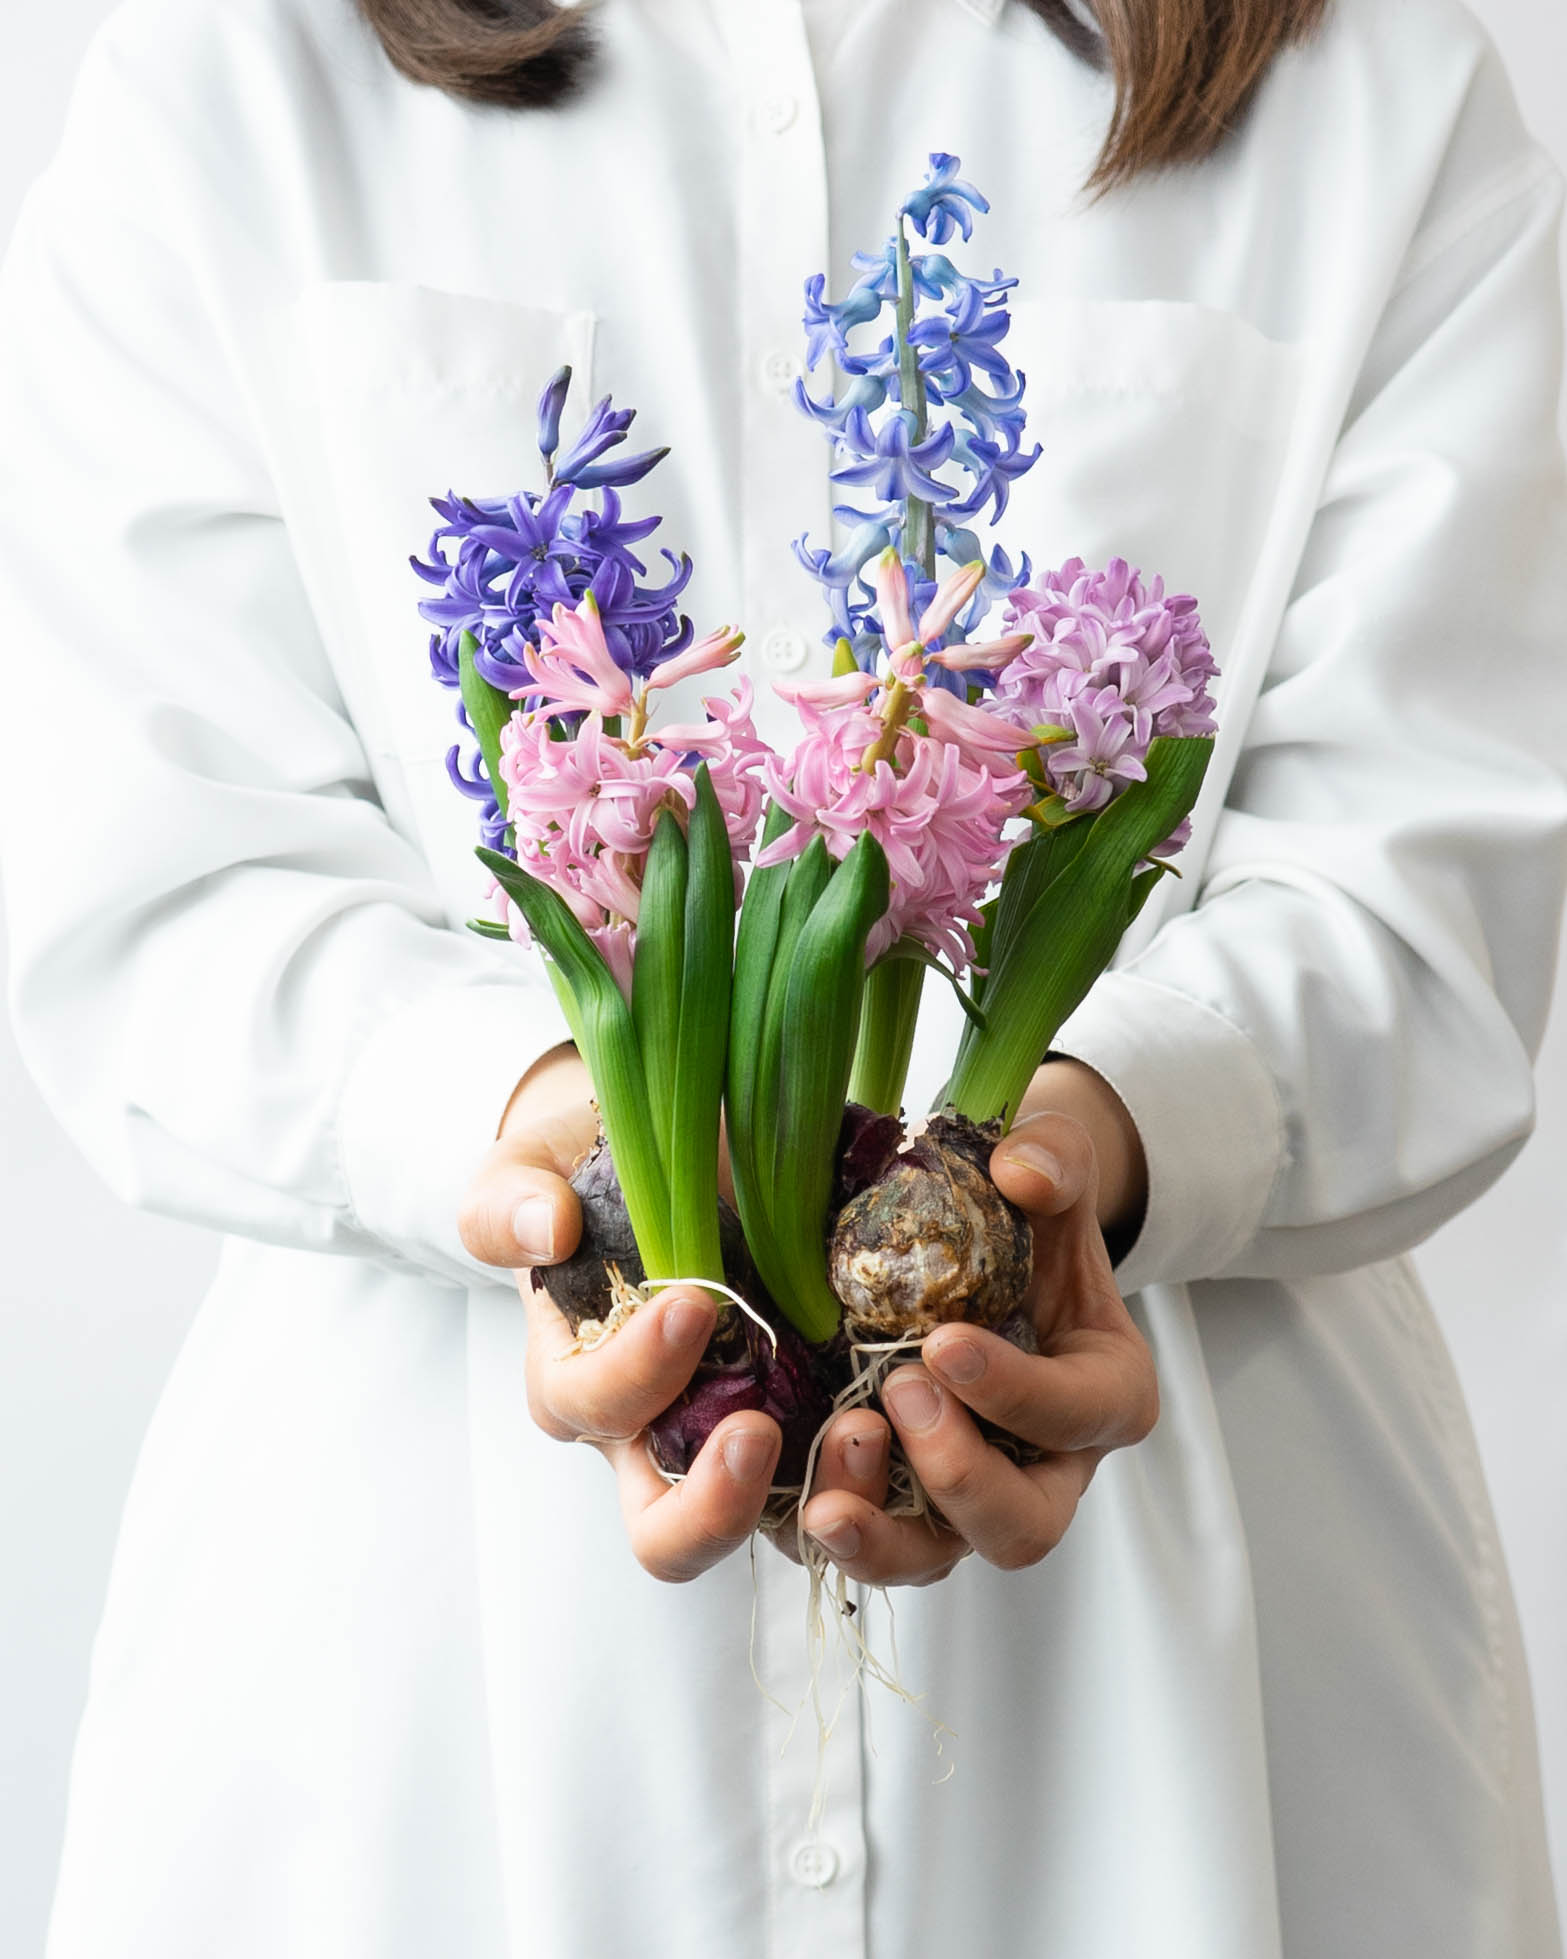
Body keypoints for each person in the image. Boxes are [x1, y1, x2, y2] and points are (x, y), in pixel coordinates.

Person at [2, 0, 1564, 1952]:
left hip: (1193, 1665)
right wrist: (555, 1150)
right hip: (416, 1672)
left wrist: (1051, 1170)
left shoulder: (1372, 81)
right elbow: (160, 874)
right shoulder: (231, 71)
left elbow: (1426, 876)